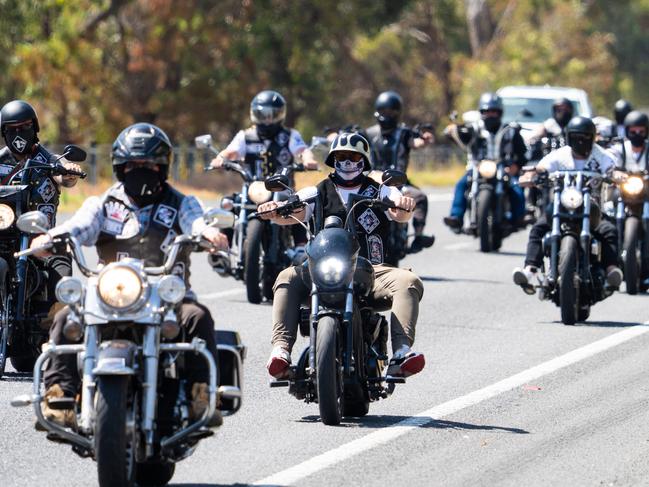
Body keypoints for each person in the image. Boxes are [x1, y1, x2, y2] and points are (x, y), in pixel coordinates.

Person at [30, 123, 228, 428]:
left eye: (148, 164)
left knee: (198, 317)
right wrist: (50, 237)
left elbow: (196, 224)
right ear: (121, 167)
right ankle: (60, 398)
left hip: (164, 298)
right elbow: (78, 227)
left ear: (161, 167)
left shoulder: (182, 203)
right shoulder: (102, 204)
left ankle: (201, 395)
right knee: (64, 318)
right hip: (109, 295)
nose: (141, 170)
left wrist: (209, 234)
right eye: (133, 164)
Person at [258, 132, 426, 379]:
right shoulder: (317, 192)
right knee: (285, 278)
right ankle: (280, 351)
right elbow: (291, 212)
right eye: (341, 157)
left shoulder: (380, 191)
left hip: (370, 270)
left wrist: (404, 204)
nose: (347, 162)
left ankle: (401, 352)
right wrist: (272, 210)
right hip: (323, 268)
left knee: (408, 281)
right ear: (332, 159)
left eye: (353, 157)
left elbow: (400, 211)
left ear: (363, 161)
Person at [512, 116, 624, 293]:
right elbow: (541, 168)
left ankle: (612, 270)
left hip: (592, 207)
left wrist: (617, 176)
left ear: (592, 137)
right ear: (569, 137)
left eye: (585, 137)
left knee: (609, 230)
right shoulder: (560, 154)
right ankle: (530, 270)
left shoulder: (601, 155)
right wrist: (532, 176)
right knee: (538, 228)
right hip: (561, 205)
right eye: (576, 136)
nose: (581, 141)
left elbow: (613, 169)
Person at [0, 99, 83, 325]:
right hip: (6, 235)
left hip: (41, 239)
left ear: (34, 128)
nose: (19, 134)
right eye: (12, 129)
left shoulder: (49, 160)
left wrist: (70, 171)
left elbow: (65, 177)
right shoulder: (0, 161)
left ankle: (56, 327)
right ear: (3, 132)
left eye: (25, 127)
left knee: (61, 259)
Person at [209, 90, 317, 252]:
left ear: (280, 114)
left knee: (296, 203)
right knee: (228, 203)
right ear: (255, 114)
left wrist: (308, 160)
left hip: (281, 189)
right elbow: (231, 151)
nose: (267, 119)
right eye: (263, 114)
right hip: (254, 188)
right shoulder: (245, 136)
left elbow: (302, 149)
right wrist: (220, 158)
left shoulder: (289, 135)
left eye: (272, 114)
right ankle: (224, 246)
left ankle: (301, 247)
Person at [443, 93, 527, 231]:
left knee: (516, 187)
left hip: (502, 168)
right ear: (481, 112)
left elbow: (523, 153)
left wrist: (515, 166)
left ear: (500, 113)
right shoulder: (473, 128)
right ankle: (456, 217)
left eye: (494, 112)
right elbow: (459, 136)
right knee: (461, 184)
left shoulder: (509, 130)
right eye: (487, 112)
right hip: (477, 167)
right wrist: (454, 130)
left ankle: (518, 218)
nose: (491, 115)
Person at [365, 91, 435, 253]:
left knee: (420, 197)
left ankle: (418, 235)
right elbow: (353, 144)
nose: (387, 115)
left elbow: (416, 142)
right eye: (383, 111)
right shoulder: (368, 134)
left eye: (391, 111)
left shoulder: (404, 133)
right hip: (373, 182)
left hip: (400, 183)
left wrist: (424, 140)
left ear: (397, 113)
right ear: (377, 111)